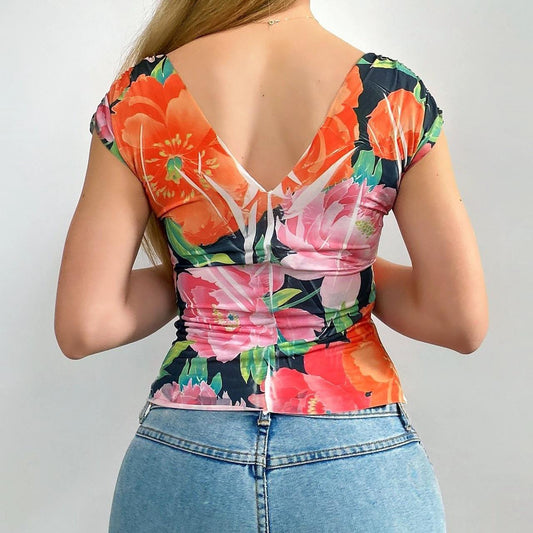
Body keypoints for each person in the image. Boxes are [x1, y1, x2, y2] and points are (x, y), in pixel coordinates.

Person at [55, 0, 488, 531]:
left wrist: (211, 277)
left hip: (187, 456)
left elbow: (87, 324)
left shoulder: (140, 97)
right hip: (357, 462)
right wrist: (332, 274)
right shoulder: (395, 97)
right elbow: (456, 319)